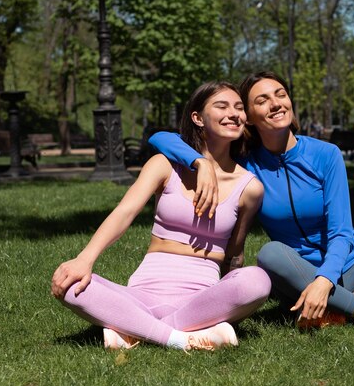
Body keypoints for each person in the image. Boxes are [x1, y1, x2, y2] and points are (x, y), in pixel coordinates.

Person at [149, 71, 354, 332]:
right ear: (248, 118)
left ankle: (345, 308)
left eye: (280, 94)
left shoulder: (325, 154)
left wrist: (325, 282)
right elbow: (161, 137)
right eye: (262, 100)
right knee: (269, 254)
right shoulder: (247, 165)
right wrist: (198, 162)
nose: (276, 103)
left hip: (353, 269)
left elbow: (341, 232)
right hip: (296, 277)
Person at [51, 81, 270, 351]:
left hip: (199, 299)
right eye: (222, 106)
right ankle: (181, 338)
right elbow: (125, 212)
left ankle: (133, 329)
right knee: (71, 284)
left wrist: (231, 300)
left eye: (239, 107)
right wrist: (84, 260)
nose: (234, 113)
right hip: (141, 294)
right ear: (198, 118)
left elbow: (235, 254)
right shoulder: (165, 165)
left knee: (258, 281)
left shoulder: (249, 187)